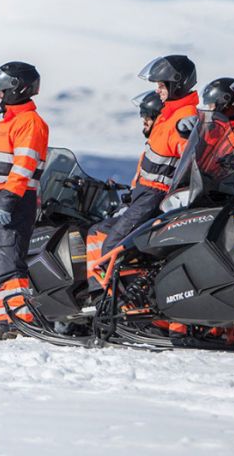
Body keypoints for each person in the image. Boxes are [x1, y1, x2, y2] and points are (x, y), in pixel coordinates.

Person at [87, 55, 199, 291]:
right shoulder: (168, 115)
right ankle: (101, 299)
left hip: (154, 198)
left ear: (176, 83)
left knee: (114, 248)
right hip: (143, 195)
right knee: (102, 234)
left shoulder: (184, 118)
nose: (157, 91)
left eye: (161, 85)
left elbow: (191, 164)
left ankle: (128, 309)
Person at [0, 62, 49, 340]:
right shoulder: (1, 127)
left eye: (2, 91)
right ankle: (3, 322)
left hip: (15, 200)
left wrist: (7, 200)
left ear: (18, 89)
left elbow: (23, 167)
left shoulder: (30, 123)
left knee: (10, 263)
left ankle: (20, 323)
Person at [85, 90, 162, 284]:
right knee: (98, 230)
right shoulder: (153, 144)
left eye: (146, 116)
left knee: (109, 241)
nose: (143, 120)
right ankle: (99, 290)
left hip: (151, 203)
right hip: (142, 200)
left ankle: (111, 293)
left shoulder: (164, 141)